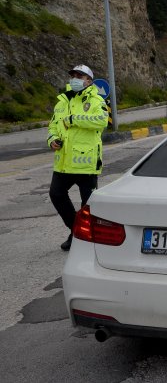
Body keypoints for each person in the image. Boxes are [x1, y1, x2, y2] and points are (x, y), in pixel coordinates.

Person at [47, 64, 108, 251]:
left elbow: (102, 121)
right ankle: (76, 231)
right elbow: (52, 126)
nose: (75, 78)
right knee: (56, 194)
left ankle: (87, 239)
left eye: (80, 76)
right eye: (73, 75)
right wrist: (52, 139)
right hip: (64, 162)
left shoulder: (96, 100)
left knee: (87, 206)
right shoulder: (61, 102)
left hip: (86, 163)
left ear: (89, 81)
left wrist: (75, 119)